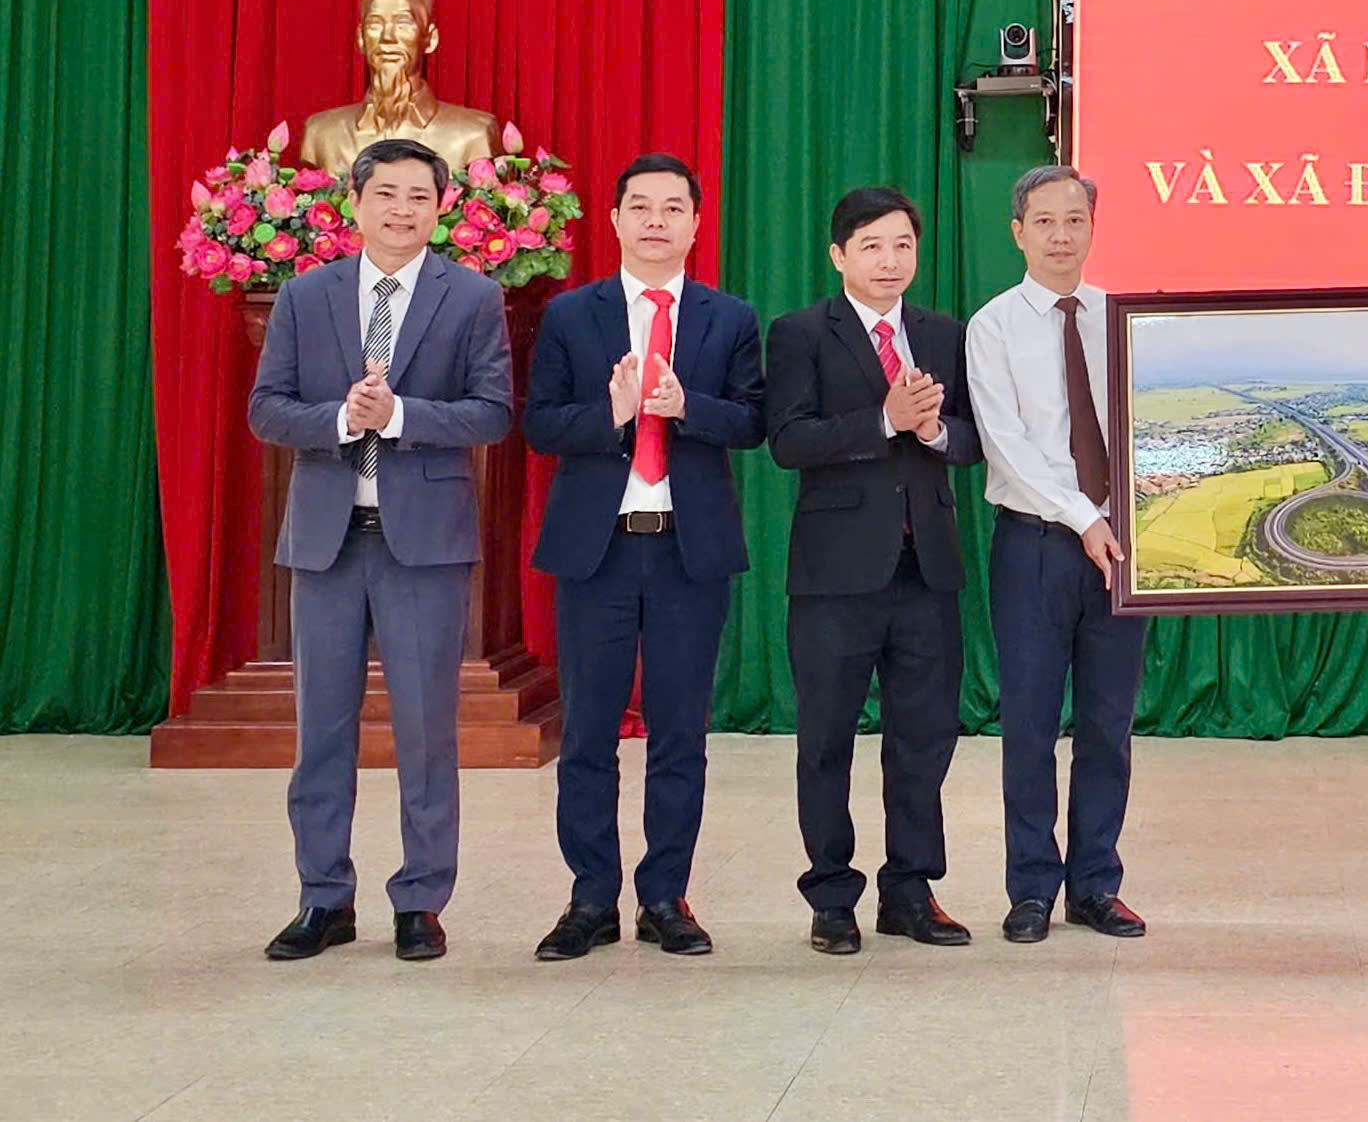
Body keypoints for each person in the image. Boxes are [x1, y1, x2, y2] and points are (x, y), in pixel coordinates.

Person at [247, 138, 513, 962]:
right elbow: (267, 408)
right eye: (386, 194)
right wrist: (341, 419)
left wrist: (397, 416)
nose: (402, 210)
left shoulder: (472, 297)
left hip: (424, 549)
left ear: (442, 208)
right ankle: (323, 898)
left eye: (418, 197)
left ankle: (420, 901)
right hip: (327, 543)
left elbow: (493, 412)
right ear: (355, 202)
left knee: (426, 733)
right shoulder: (306, 294)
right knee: (321, 732)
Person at [526, 155, 766, 961]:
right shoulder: (571, 315)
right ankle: (590, 898)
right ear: (616, 220)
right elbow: (540, 425)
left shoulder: (728, 318)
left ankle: (666, 895)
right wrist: (613, 410)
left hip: (686, 555)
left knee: (679, 737)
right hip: (595, 553)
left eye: (672, 208)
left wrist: (687, 406)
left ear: (696, 223)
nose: (656, 220)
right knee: (587, 735)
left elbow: (753, 421)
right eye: (640, 206)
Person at [767, 187, 982, 954]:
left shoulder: (943, 334)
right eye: (871, 246)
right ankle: (831, 896)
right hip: (834, 576)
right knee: (826, 740)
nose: (889, 261)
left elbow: (973, 439)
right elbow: (787, 441)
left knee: (922, 739)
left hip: (926, 569)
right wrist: (884, 421)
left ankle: (910, 891)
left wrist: (933, 432)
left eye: (902, 245)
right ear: (838, 256)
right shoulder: (800, 333)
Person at [967, 165, 1151, 945]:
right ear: (1017, 232)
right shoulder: (993, 327)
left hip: (1121, 551)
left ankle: (1096, 886)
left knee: (1108, 727)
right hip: (1035, 545)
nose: (1060, 236)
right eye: (1043, 222)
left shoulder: (1122, 320)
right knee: (1030, 726)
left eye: (1074, 221)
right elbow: (1006, 446)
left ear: (1092, 229)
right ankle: (1031, 889)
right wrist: (1083, 518)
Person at [298, 0, 498, 175]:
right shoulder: (321, 132)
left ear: (430, 39)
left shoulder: (475, 133)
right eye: (375, 25)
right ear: (361, 39)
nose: (387, 37)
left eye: (403, 24)